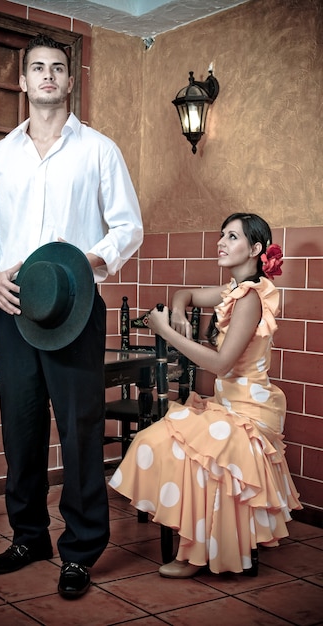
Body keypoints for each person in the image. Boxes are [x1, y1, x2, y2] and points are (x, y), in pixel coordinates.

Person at [0, 34, 143, 598]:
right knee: (20, 428)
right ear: (23, 81)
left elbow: (127, 227)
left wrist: (87, 260)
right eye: (37, 68)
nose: (47, 76)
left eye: (58, 68)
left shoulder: (99, 150)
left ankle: (82, 549)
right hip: (15, 307)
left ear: (70, 81)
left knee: (80, 429)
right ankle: (29, 536)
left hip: (77, 307)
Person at [109, 213, 302, 578]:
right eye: (222, 235)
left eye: (232, 237)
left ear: (255, 249)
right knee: (153, 440)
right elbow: (185, 293)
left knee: (193, 454)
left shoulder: (249, 300)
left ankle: (195, 554)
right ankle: (194, 539)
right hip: (227, 406)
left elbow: (221, 365)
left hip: (249, 411)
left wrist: (167, 331)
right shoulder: (233, 290)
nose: (221, 243)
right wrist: (180, 310)